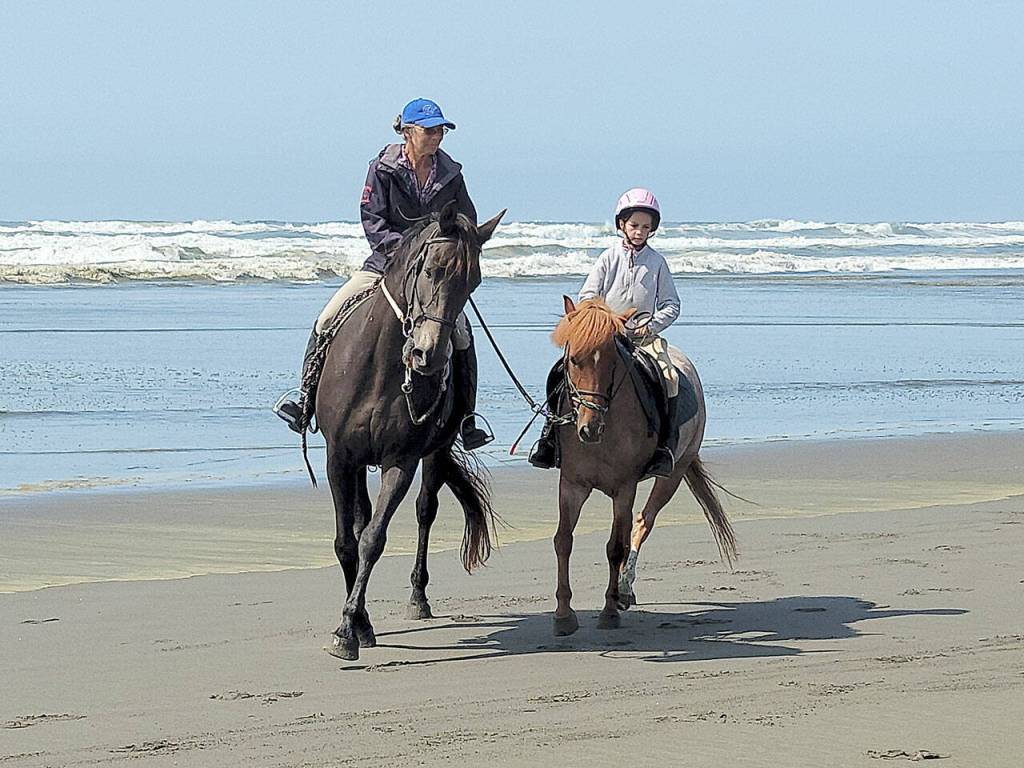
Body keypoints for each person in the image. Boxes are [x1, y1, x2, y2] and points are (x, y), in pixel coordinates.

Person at [275, 98, 493, 450]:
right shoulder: (382, 168)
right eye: (430, 130)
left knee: (462, 335)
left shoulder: (452, 174)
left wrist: (453, 253)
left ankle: (466, 419)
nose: (437, 136)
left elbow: (465, 220)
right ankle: (304, 401)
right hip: (386, 266)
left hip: (432, 277)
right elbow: (372, 219)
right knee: (328, 316)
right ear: (408, 132)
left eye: (441, 130)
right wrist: (405, 254)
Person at [529, 187, 682, 477]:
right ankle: (549, 436)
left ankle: (664, 446)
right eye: (635, 225)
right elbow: (588, 295)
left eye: (646, 227)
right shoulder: (608, 258)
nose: (639, 232)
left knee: (670, 377)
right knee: (560, 372)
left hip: (641, 337)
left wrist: (650, 325)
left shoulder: (658, 262)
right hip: (605, 335)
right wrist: (604, 320)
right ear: (622, 225)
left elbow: (672, 304)